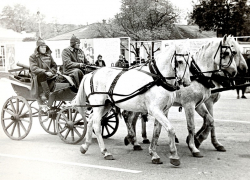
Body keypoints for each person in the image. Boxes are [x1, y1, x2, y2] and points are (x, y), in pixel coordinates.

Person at [29, 37, 58, 105]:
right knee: (42, 75)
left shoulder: (49, 56)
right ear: (38, 48)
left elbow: (54, 65)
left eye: (45, 47)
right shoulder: (33, 57)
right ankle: (46, 94)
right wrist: (45, 72)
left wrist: (52, 71)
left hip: (49, 75)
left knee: (60, 77)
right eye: (42, 47)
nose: (44, 49)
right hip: (37, 77)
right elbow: (33, 68)